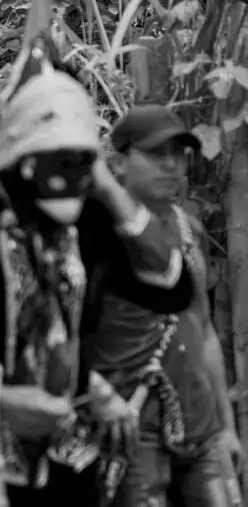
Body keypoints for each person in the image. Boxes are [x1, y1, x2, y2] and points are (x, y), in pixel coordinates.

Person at [0, 38, 197, 507]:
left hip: (66, 468)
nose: (73, 176)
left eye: (82, 160)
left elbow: (171, 290)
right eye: (59, 160)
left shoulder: (88, 220)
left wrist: (112, 195)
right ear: (25, 155)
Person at [85, 105, 241, 506]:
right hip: (132, 430)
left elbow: (203, 329)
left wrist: (225, 428)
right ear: (117, 162)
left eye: (179, 154)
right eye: (157, 154)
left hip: (201, 425)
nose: (172, 166)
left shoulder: (187, 229)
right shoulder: (92, 237)